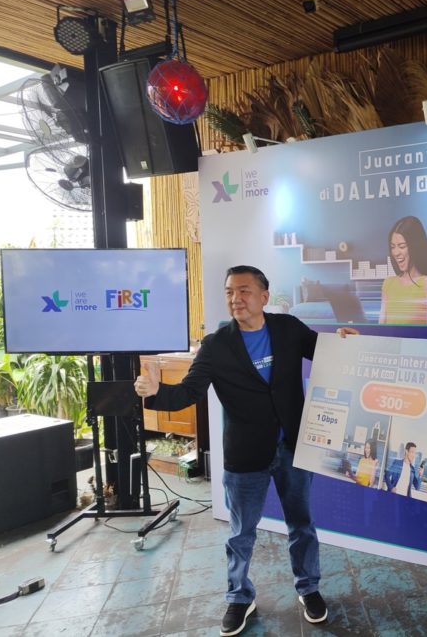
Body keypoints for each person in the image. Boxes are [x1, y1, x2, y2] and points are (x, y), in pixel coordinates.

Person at [134, 265, 357, 636]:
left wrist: (345, 341)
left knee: (301, 524)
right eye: (229, 292)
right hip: (245, 454)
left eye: (244, 291)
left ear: (264, 296)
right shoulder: (216, 345)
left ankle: (309, 588)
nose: (235, 299)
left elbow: (325, 351)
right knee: (241, 533)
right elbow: (189, 392)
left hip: (293, 448)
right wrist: (156, 393)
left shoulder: (288, 328)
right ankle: (239, 597)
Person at [380, 215, 427, 325]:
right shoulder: (388, 284)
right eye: (393, 247)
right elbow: (381, 330)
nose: (396, 253)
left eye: (402, 246)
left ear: (415, 247)